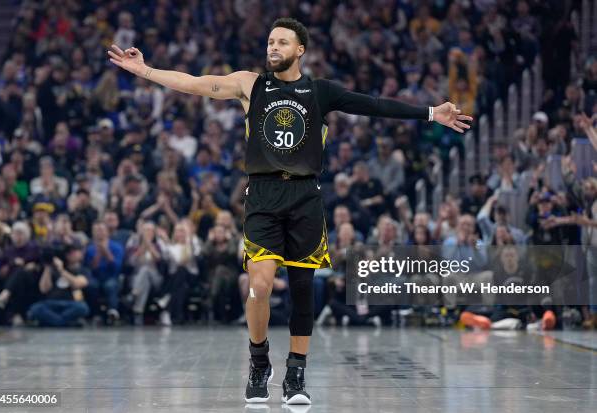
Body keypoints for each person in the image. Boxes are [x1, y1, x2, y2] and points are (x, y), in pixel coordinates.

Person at [108, 17, 472, 405]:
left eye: (282, 42)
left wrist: (432, 113)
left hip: (305, 197)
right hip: (263, 196)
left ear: (300, 50)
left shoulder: (319, 91)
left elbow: (375, 105)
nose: (273, 47)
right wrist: (143, 70)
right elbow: (196, 83)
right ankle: (259, 361)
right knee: (260, 285)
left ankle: (296, 372)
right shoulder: (250, 83)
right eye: (270, 41)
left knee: (302, 290)